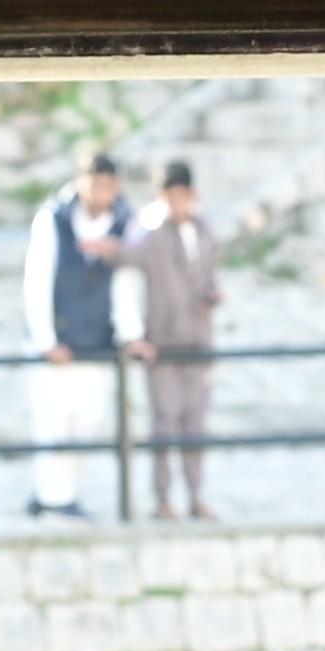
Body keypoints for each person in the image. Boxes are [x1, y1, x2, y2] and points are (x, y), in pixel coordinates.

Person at [22, 147, 136, 516]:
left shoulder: (124, 224)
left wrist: (128, 332)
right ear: (81, 183)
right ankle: (55, 497)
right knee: (53, 422)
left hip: (98, 340)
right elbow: (36, 282)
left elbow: (126, 285)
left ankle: (59, 492)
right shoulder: (52, 221)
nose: (102, 196)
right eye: (95, 186)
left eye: (109, 187)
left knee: (88, 423)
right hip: (60, 339)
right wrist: (46, 341)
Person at [120, 155, 224, 520]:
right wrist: (134, 334)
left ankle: (197, 495)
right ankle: (163, 498)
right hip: (161, 343)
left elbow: (209, 272)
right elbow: (127, 275)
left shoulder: (204, 229)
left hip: (198, 340)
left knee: (195, 422)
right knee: (164, 422)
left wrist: (212, 295)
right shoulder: (147, 232)